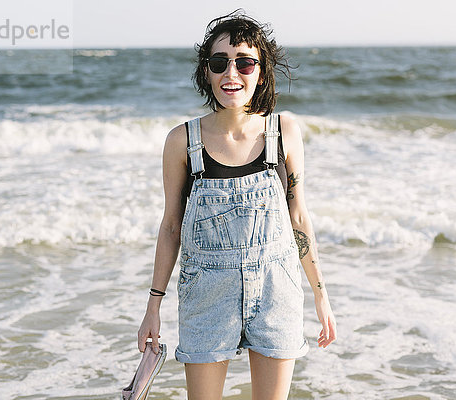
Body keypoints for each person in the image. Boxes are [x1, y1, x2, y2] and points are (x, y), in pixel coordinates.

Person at [138, 10, 337, 400]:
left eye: (245, 62)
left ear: (261, 72)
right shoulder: (182, 141)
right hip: (206, 297)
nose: (232, 73)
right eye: (219, 63)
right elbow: (171, 227)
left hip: (276, 290)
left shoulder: (284, 132)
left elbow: (298, 216)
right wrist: (153, 306)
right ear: (207, 72)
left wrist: (320, 294)